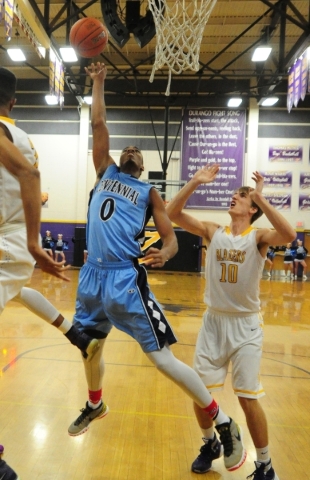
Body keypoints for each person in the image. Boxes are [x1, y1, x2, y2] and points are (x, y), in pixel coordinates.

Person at [67, 62, 246, 473]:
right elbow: (98, 124)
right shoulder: (104, 170)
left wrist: (166, 252)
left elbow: (171, 238)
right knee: (89, 348)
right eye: (125, 148)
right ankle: (95, 403)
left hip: (124, 280)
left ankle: (222, 420)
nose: (129, 150)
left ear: (142, 166)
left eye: (136, 151)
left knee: (162, 361)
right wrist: (98, 83)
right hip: (92, 275)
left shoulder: (149, 193)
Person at [166, 165, 296, 479]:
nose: (231, 199)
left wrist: (260, 198)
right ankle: (211, 444)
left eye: (239, 197)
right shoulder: (213, 231)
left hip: (246, 325)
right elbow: (172, 212)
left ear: (251, 208)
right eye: (233, 196)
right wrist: (195, 181)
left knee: (247, 397)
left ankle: (265, 465)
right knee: (200, 392)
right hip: (213, 322)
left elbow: (290, 235)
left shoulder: (259, 237)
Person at [0, 67, 99, 361]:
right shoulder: (21, 137)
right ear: (14, 102)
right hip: (14, 240)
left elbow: (30, 176)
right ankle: (75, 334)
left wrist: (34, 243)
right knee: (16, 289)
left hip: (9, 241)